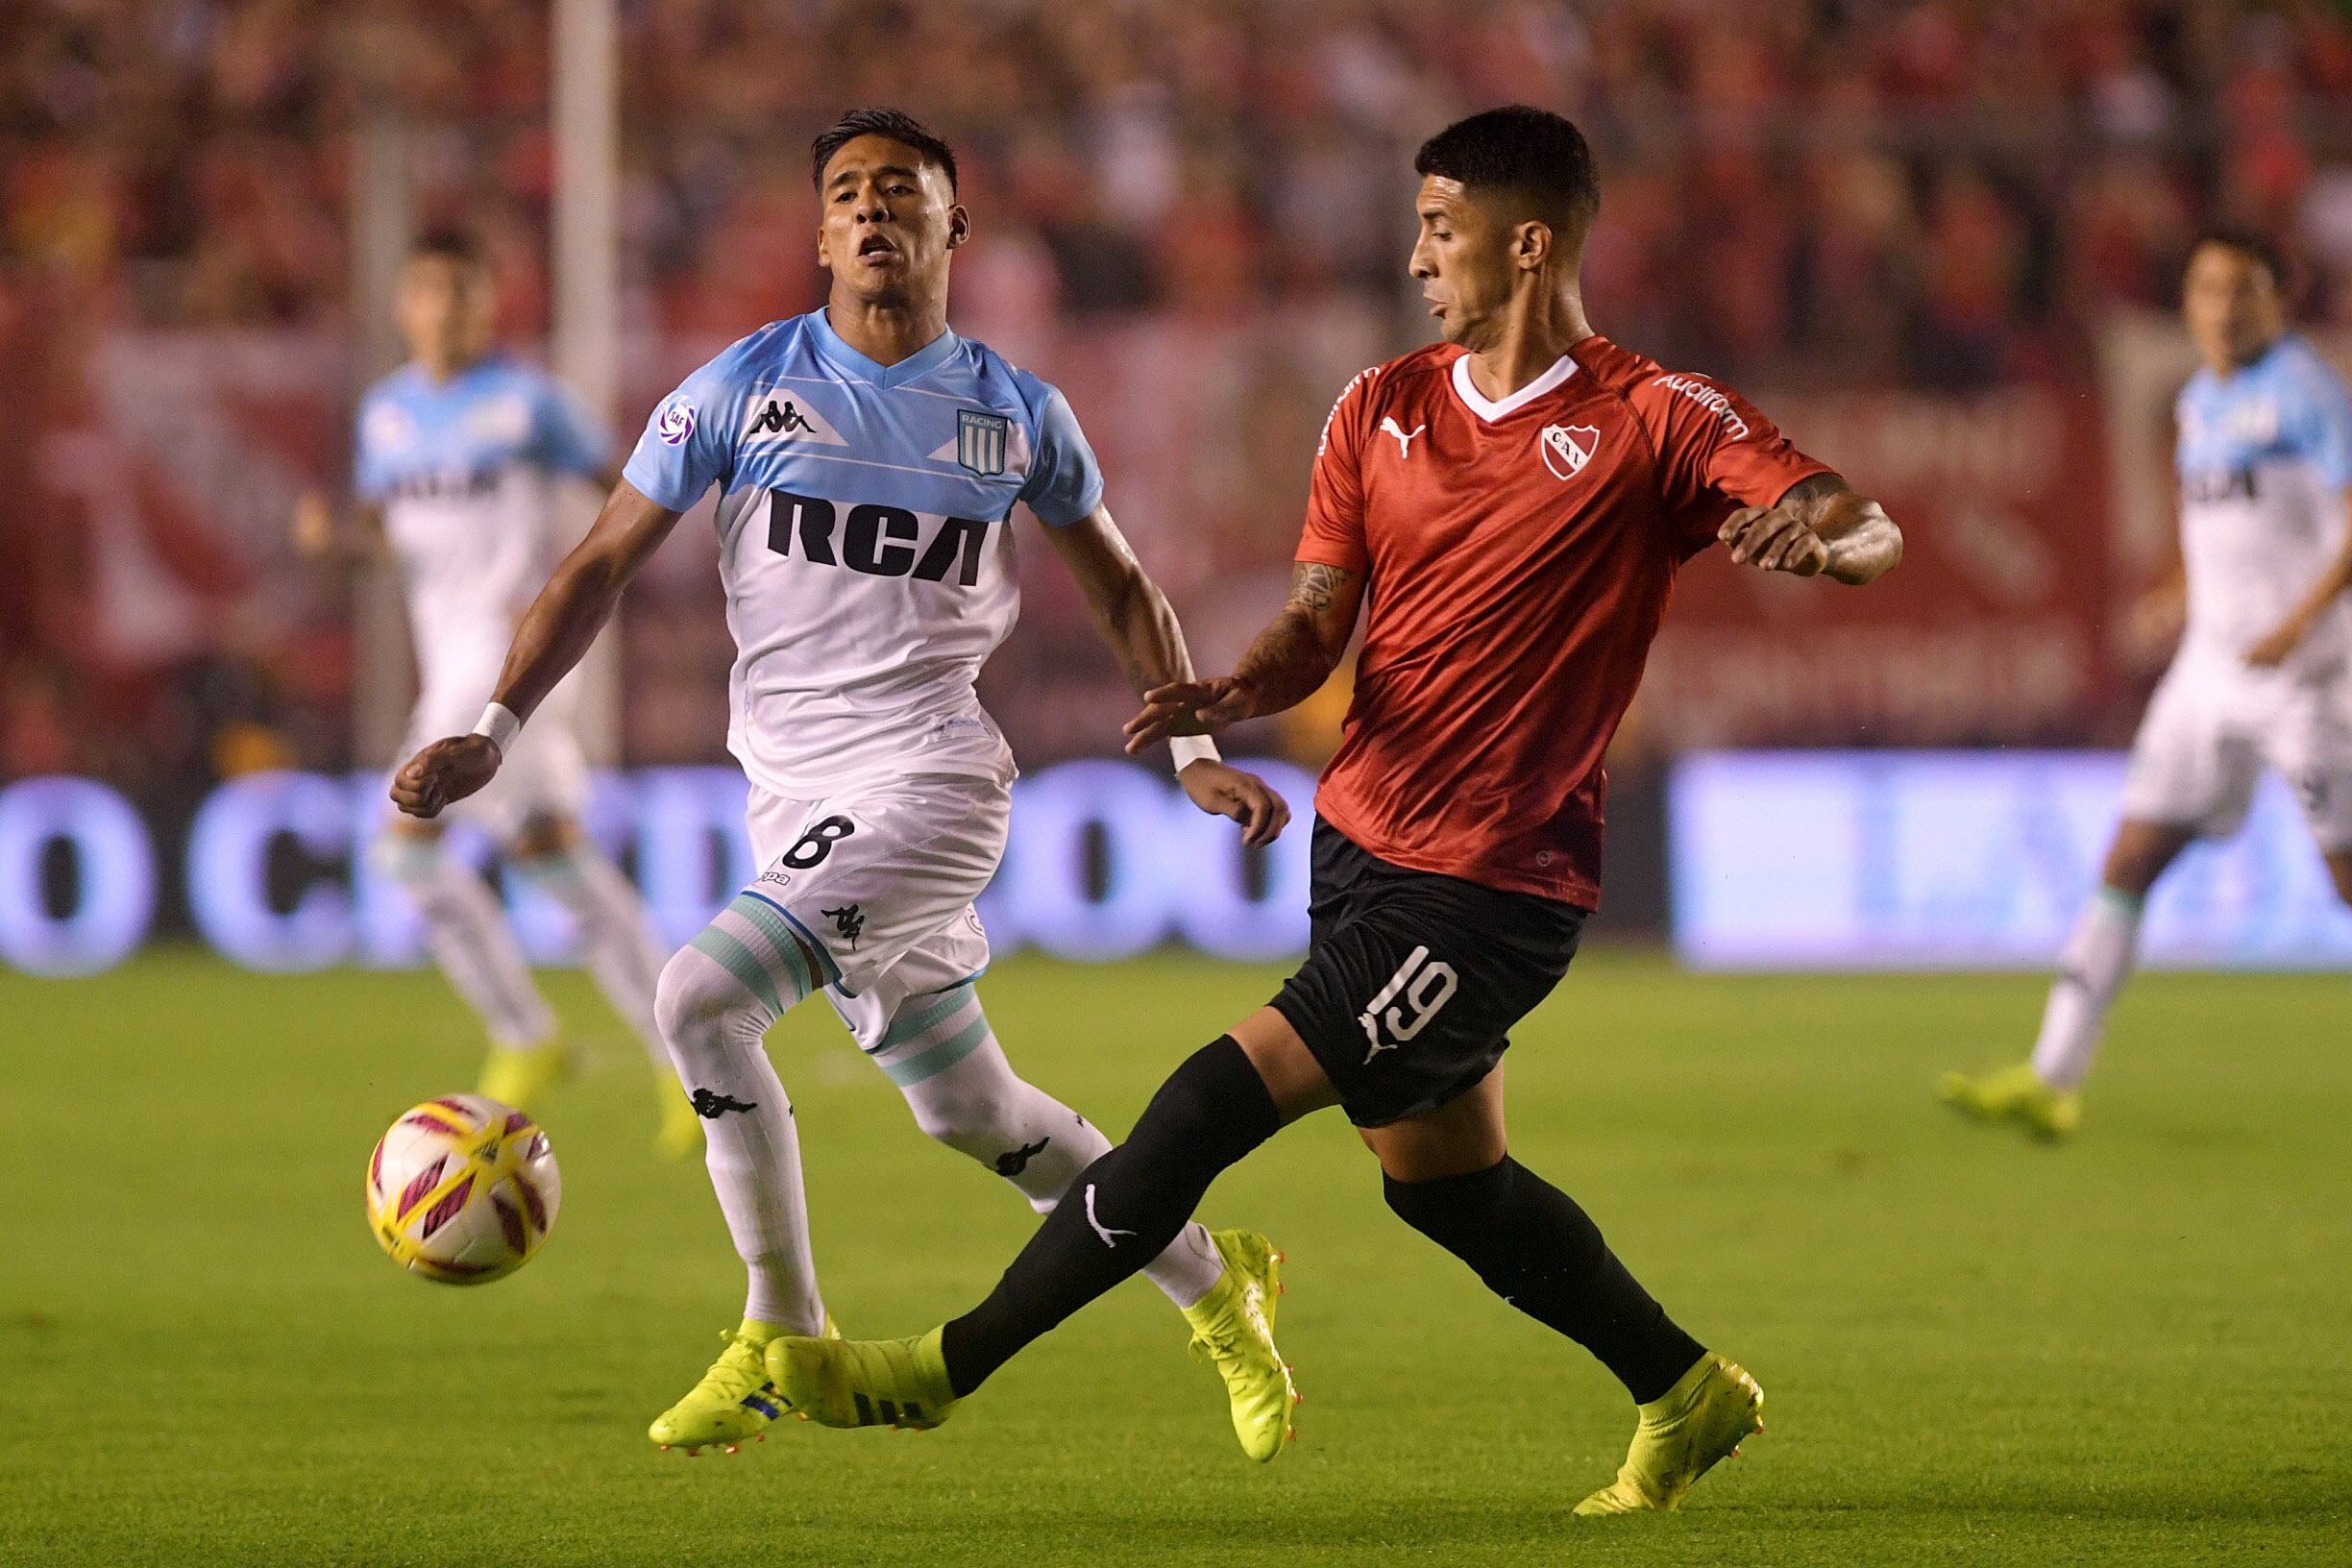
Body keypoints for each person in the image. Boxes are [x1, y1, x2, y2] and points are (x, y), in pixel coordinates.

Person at [769, 105, 1902, 1517]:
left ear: (1527, 241)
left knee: (1199, 1107)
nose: (1418, 253)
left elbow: (1860, 517)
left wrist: (1829, 540)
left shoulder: (1651, 417)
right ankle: (1684, 1392)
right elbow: (1319, 623)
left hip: (1492, 884)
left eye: (1442, 225)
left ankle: (944, 1366)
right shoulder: (1378, 407)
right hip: (1360, 842)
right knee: (1442, 1188)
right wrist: (1231, 689)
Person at [390, 110, 1300, 1462]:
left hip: (932, 785)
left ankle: (781, 1331)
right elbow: (594, 565)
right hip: (796, 797)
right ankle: (1222, 1286)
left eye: (902, 192)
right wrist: (495, 726)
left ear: (953, 229)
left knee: (699, 998)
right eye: (848, 193)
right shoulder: (738, 389)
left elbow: (1120, 583)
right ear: (820, 233)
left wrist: (1197, 754)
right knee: (977, 1116)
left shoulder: (1012, 412)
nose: (873, 211)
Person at [1943, 231, 2352, 1140]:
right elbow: (2230, 535)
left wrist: (2296, 624)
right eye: (2208, 289)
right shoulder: (2202, 401)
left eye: (2243, 290)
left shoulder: (2309, 389)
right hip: (2209, 671)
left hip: (2310, 680)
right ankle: (2051, 1078)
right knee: (2129, 859)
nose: (2224, 307)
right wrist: (2179, 599)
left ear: (2280, 299)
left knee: (2344, 883)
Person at [297, 229, 696, 1156]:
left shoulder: (530, 404)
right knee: (551, 852)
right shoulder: (386, 416)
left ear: (491, 302)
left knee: (404, 847)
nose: (450, 309)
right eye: (433, 291)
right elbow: (392, 532)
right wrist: (338, 539)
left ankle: (527, 1033)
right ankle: (679, 1062)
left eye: (467, 292)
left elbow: (631, 494)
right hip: (450, 664)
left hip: (519, 658)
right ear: (404, 304)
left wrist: (574, 581)